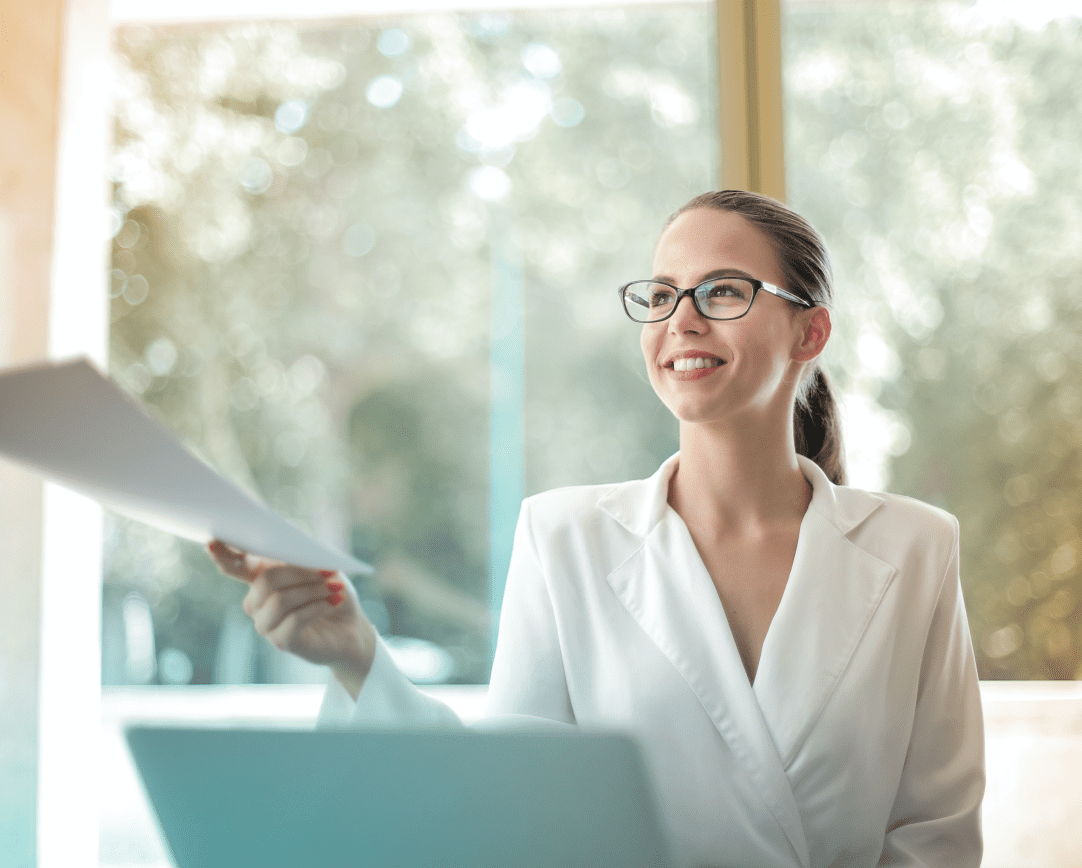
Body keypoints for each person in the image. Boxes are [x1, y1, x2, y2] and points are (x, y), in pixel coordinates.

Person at [209, 190, 985, 868]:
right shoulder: (563, 538)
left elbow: (936, 833)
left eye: (722, 292)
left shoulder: (915, 549)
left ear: (808, 334)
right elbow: (509, 808)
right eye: (660, 295)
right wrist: (357, 658)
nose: (680, 320)